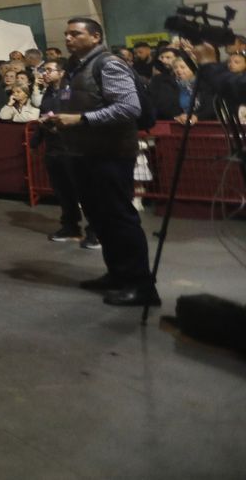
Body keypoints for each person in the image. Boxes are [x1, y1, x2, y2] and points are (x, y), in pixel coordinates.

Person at [41, 18, 157, 307]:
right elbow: (74, 102)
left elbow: (129, 108)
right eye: (66, 33)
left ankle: (140, 285)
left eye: (75, 33)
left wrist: (81, 119)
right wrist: (59, 120)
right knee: (100, 218)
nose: (68, 38)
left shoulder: (108, 64)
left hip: (111, 153)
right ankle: (117, 273)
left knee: (119, 218)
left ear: (95, 37)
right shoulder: (73, 66)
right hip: (83, 152)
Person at [33, 58, 98, 249]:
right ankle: (70, 227)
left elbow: (75, 117)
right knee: (63, 192)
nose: (45, 73)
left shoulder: (69, 93)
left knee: (84, 193)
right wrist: (36, 141)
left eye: (50, 70)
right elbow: (44, 115)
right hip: (53, 149)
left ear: (61, 73)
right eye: (44, 70)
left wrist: (59, 127)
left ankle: (95, 231)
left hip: (71, 147)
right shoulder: (48, 93)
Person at [148, 56, 216, 124]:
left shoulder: (205, 84)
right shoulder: (166, 85)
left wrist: (197, 116)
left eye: (182, 67)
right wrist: (177, 116)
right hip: (175, 123)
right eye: (175, 68)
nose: (178, 70)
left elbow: (211, 106)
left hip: (204, 124)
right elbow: (163, 106)